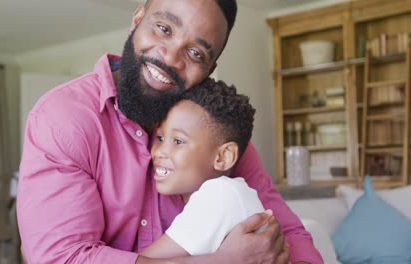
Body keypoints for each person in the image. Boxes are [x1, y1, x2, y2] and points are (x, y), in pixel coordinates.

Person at [17, 0, 323, 263]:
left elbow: (292, 235)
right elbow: (63, 258)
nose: (171, 58)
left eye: (196, 53)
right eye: (164, 29)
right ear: (137, 20)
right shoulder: (64, 118)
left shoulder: (211, 129)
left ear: (209, 71)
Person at [140, 78, 266, 258]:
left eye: (178, 141)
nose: (160, 152)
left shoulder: (220, 195)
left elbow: (145, 262)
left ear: (223, 156)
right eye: (160, 138)